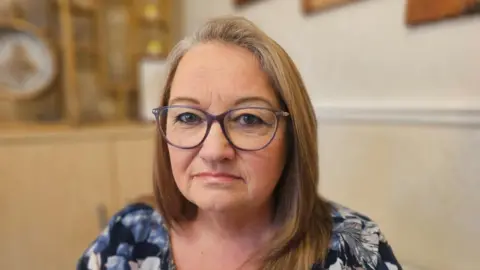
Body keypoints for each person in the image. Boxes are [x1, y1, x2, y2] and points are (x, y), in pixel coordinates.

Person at [77, 16, 402, 270]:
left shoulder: (354, 249)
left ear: (292, 136)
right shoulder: (128, 236)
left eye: (248, 119)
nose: (215, 151)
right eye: (188, 117)